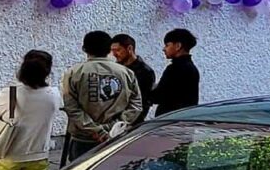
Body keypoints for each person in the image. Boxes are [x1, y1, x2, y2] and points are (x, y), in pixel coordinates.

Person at [62, 31, 142, 162]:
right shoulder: (126, 73)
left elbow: (71, 108)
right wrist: (116, 125)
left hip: (84, 139)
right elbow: (136, 105)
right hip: (116, 137)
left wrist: (96, 130)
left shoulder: (74, 73)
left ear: (84, 49)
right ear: (109, 49)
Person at [110, 34, 156, 126]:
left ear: (129, 49)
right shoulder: (116, 68)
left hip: (130, 123)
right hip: (113, 121)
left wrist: (128, 122)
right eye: (112, 51)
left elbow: (142, 102)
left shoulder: (145, 72)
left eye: (118, 50)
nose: (114, 54)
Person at [152, 28, 200, 117]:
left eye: (167, 45)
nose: (164, 49)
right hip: (185, 120)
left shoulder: (174, 69)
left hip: (169, 121)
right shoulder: (192, 69)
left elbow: (159, 96)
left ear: (178, 46)